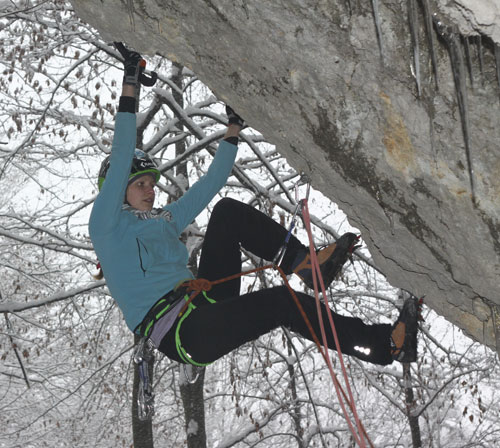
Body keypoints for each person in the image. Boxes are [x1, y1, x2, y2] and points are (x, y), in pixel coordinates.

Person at [89, 45, 419, 370]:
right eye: (140, 184)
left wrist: (232, 128)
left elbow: (210, 185)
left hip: (204, 300)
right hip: (183, 332)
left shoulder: (162, 222)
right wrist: (130, 82)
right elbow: (120, 156)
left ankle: (307, 265)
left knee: (226, 212)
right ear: (116, 192)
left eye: (151, 182)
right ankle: (385, 345)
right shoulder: (106, 227)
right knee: (282, 302)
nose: (151, 189)